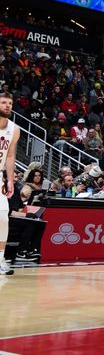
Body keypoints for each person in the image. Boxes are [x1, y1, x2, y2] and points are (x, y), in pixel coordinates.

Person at [0, 93, 21, 275]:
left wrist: (9, 179)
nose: (7, 106)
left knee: (3, 219)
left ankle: (0, 260)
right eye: (4, 102)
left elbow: (11, 156)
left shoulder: (14, 129)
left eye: (10, 103)